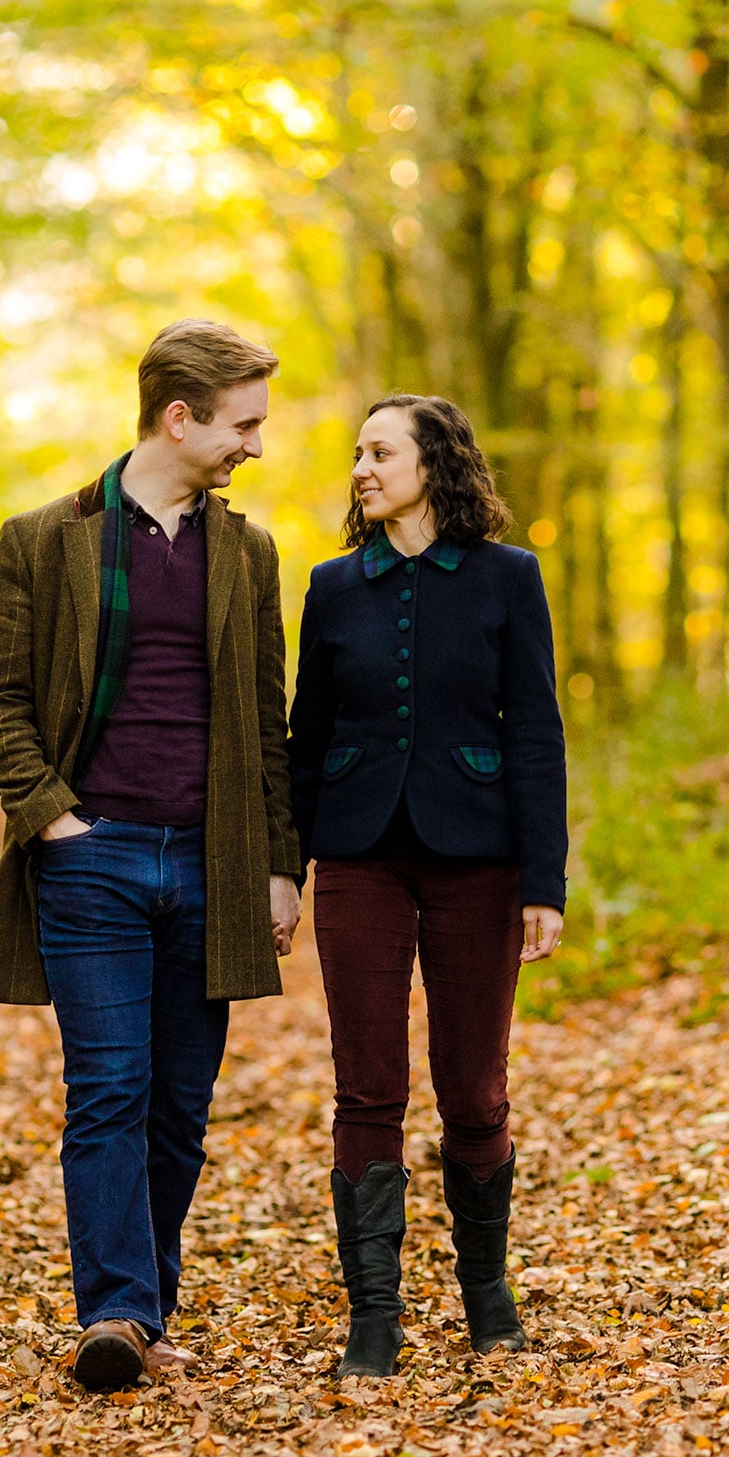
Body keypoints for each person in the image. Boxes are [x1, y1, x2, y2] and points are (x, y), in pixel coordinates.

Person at [0, 320, 303, 1392]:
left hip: (212, 862)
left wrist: (279, 865)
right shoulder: (43, 538)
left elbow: (265, 719)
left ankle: (143, 1311)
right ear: (178, 416)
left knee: (179, 1103)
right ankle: (114, 1311)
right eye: (242, 422)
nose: (254, 443)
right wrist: (54, 818)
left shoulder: (246, 554)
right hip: (92, 864)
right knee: (106, 1088)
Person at [286, 394, 567, 1379]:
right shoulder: (331, 587)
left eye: (379, 452)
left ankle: (488, 1294)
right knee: (367, 1084)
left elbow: (536, 728)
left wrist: (545, 880)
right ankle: (374, 1317)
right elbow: (304, 738)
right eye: (357, 453)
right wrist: (288, 868)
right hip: (357, 856)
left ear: (432, 464)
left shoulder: (507, 578)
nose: (362, 469)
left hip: (479, 857)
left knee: (474, 1087)